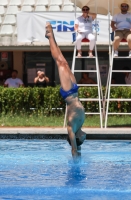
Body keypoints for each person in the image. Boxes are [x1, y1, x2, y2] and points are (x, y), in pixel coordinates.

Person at [45, 22, 86, 162]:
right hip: (75, 90)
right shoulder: (79, 126)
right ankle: (51, 37)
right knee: (64, 62)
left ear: (78, 138)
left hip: (68, 93)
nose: (86, 138)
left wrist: (75, 153)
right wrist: (79, 151)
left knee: (60, 63)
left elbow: (74, 148)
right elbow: (78, 148)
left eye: (83, 140)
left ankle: (50, 36)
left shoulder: (72, 129)